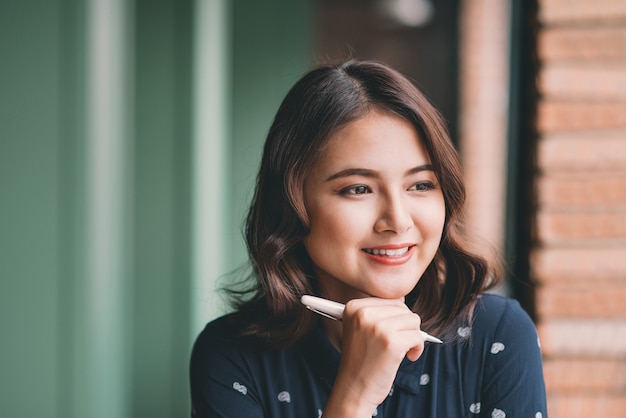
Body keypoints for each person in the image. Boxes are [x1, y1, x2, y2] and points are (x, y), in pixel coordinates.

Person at [189, 59, 547, 418]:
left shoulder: (496, 334)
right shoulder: (232, 354)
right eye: (358, 188)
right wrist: (355, 396)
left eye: (421, 185)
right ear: (292, 204)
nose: (398, 220)